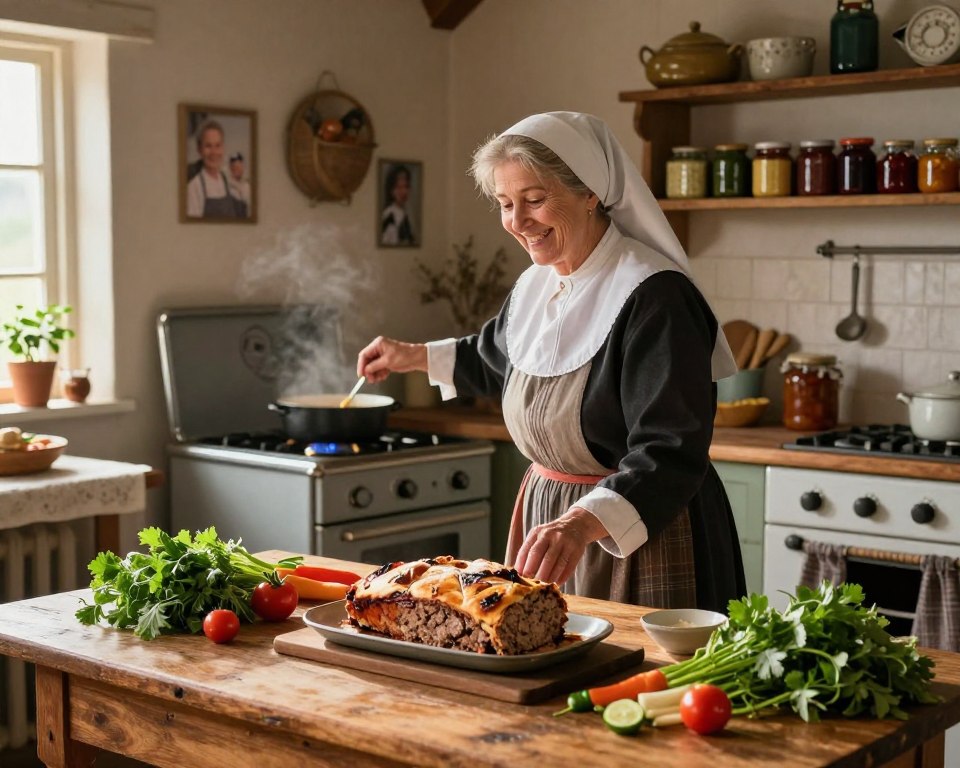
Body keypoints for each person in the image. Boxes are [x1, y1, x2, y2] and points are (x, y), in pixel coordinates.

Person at [356, 112, 745, 612]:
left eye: (535, 200)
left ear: (590, 194)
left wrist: (581, 523)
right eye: (505, 204)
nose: (518, 222)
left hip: (640, 533)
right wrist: (412, 356)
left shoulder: (656, 296)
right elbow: (500, 358)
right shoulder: (538, 283)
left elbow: (670, 449)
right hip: (551, 522)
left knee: (639, 684)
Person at [185, 120, 247, 219]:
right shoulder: (194, 187)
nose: (214, 152)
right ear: (199, 150)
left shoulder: (227, 181)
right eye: (208, 146)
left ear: (223, 148)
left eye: (218, 146)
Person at [379, 164, 416, 246]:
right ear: (391, 190)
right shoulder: (389, 216)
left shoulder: (405, 214)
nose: (403, 192)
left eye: (406, 186)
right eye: (398, 187)